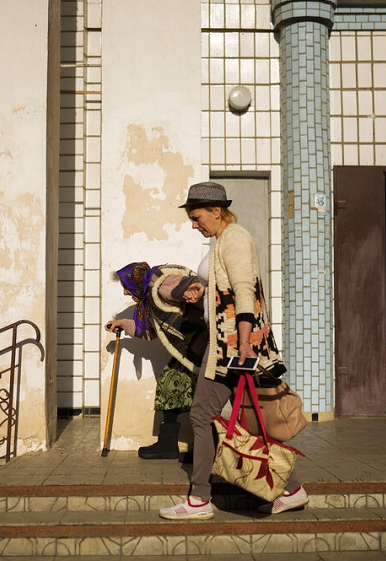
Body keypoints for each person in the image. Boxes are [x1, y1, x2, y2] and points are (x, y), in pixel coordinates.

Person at [159, 181, 308, 520]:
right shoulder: (223, 240)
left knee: (208, 415)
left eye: (197, 218)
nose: (194, 225)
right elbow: (225, 288)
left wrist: (242, 345)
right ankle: (291, 489)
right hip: (229, 348)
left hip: (235, 349)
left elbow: (245, 293)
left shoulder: (235, 238)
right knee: (249, 420)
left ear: (217, 211)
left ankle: (199, 500)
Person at [105, 262, 208, 459]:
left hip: (200, 345)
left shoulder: (161, 283)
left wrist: (194, 288)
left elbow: (185, 284)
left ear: (135, 281)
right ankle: (172, 446)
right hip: (190, 350)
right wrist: (121, 323)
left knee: (202, 395)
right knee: (174, 387)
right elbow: (148, 331)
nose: (126, 292)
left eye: (126, 286)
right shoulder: (150, 301)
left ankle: (202, 451)